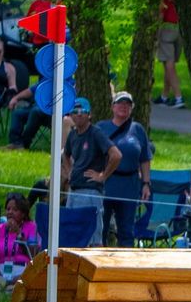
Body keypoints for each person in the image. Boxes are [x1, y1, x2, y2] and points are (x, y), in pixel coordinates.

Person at [59, 98, 120, 246]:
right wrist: (69, 172)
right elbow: (64, 154)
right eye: (75, 111)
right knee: (72, 233)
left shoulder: (95, 133)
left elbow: (116, 155)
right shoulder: (73, 135)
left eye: (83, 111)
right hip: (73, 190)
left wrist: (103, 176)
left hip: (91, 191)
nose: (78, 115)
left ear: (89, 115)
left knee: (93, 236)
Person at [96, 91, 153, 247]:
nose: (123, 107)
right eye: (120, 103)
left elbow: (145, 158)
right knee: (101, 228)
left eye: (127, 104)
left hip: (130, 185)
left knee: (127, 231)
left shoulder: (138, 129)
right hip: (106, 184)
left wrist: (146, 183)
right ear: (113, 107)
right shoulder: (101, 127)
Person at [0, 192, 38, 282]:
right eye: (8, 209)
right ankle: (5, 283)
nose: (10, 212)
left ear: (23, 214)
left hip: (22, 268)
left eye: (15, 210)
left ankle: (4, 283)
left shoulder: (31, 227)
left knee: (34, 273)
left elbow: (33, 255)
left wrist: (19, 234)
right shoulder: (0, 228)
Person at [153, 0, 183, 108]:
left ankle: (178, 98)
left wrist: (156, 34)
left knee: (169, 65)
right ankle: (164, 96)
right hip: (178, 28)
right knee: (167, 64)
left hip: (166, 29)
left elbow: (161, 12)